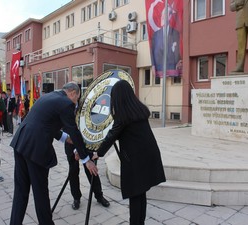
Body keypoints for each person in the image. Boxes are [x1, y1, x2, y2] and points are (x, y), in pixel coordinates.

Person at [9, 82, 98, 225]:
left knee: (20, 191)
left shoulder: (49, 97)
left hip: (21, 143)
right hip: (36, 150)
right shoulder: (66, 103)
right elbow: (74, 131)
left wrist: (65, 138)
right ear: (73, 93)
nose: (76, 103)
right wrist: (86, 159)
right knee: (41, 193)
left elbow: (46, 123)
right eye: (77, 99)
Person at [92, 80, 166, 225]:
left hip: (135, 160)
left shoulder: (123, 115)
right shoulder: (138, 109)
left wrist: (98, 153)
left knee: (135, 194)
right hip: (148, 156)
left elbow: (111, 135)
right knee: (141, 192)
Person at [64, 140, 110, 210]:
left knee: (92, 171)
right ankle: (76, 198)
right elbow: (68, 131)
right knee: (73, 171)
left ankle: (99, 196)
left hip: (86, 144)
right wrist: (76, 150)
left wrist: (97, 149)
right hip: (71, 144)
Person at [151, 5, 182, 77]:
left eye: (164, 14)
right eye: (162, 14)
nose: (162, 17)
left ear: (170, 16)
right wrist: (153, 65)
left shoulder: (175, 33)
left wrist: (179, 62)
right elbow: (152, 50)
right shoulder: (155, 35)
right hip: (159, 68)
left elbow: (178, 51)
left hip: (172, 68)